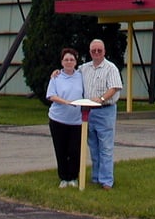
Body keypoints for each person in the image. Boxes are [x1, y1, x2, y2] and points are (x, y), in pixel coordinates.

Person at [79, 38, 123, 190]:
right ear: (90, 52)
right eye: (93, 51)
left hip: (105, 111)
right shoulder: (84, 68)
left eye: (99, 50)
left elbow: (115, 87)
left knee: (106, 147)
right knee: (93, 146)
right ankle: (96, 177)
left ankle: (106, 181)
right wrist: (56, 72)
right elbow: (70, 74)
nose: (96, 53)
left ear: (104, 51)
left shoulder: (111, 68)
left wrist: (102, 98)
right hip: (89, 112)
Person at [45, 47, 83, 188]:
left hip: (77, 121)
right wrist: (65, 102)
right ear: (61, 62)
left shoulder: (81, 75)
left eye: (71, 59)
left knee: (74, 150)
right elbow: (51, 95)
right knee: (60, 150)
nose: (69, 62)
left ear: (76, 61)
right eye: (66, 59)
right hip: (58, 120)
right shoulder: (56, 77)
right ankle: (63, 178)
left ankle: (73, 177)